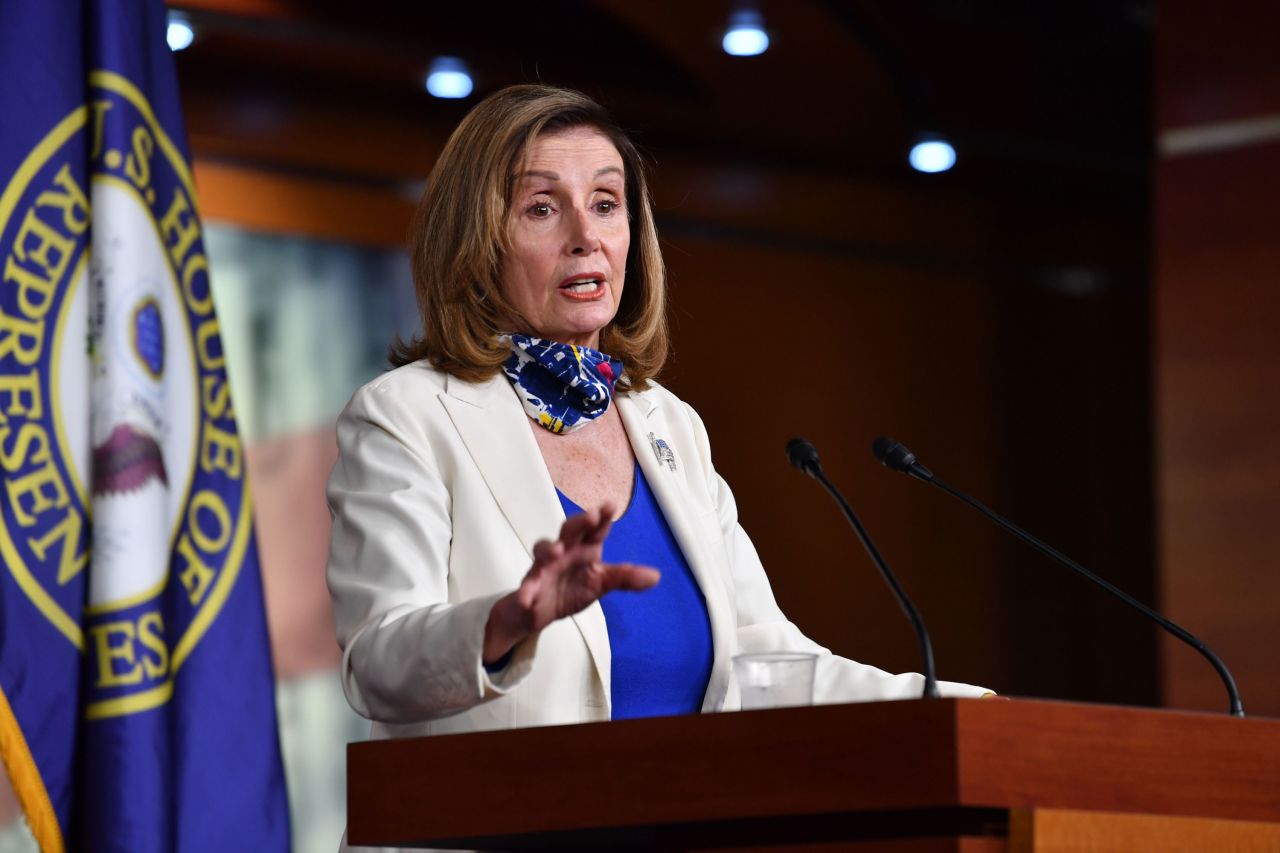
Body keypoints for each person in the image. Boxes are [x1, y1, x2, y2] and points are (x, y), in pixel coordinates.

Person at [325, 84, 989, 745]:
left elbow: (765, 665)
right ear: (477, 239)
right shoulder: (406, 415)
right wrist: (505, 621)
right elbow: (377, 663)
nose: (586, 236)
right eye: (541, 207)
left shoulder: (671, 425)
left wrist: (965, 707)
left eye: (606, 203)